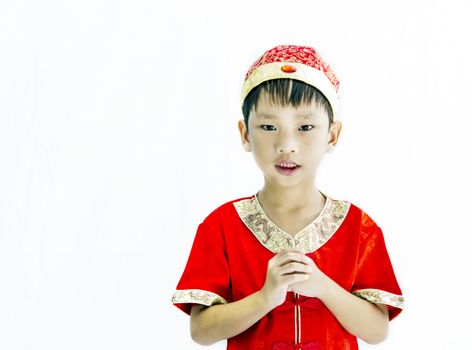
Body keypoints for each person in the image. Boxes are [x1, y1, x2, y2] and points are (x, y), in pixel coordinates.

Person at [171, 45, 404, 350]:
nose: (287, 144)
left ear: (332, 135)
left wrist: (323, 287)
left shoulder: (359, 228)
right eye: (268, 127)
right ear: (245, 134)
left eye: (305, 127)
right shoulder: (222, 226)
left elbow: (377, 331)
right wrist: (266, 297)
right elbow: (201, 331)